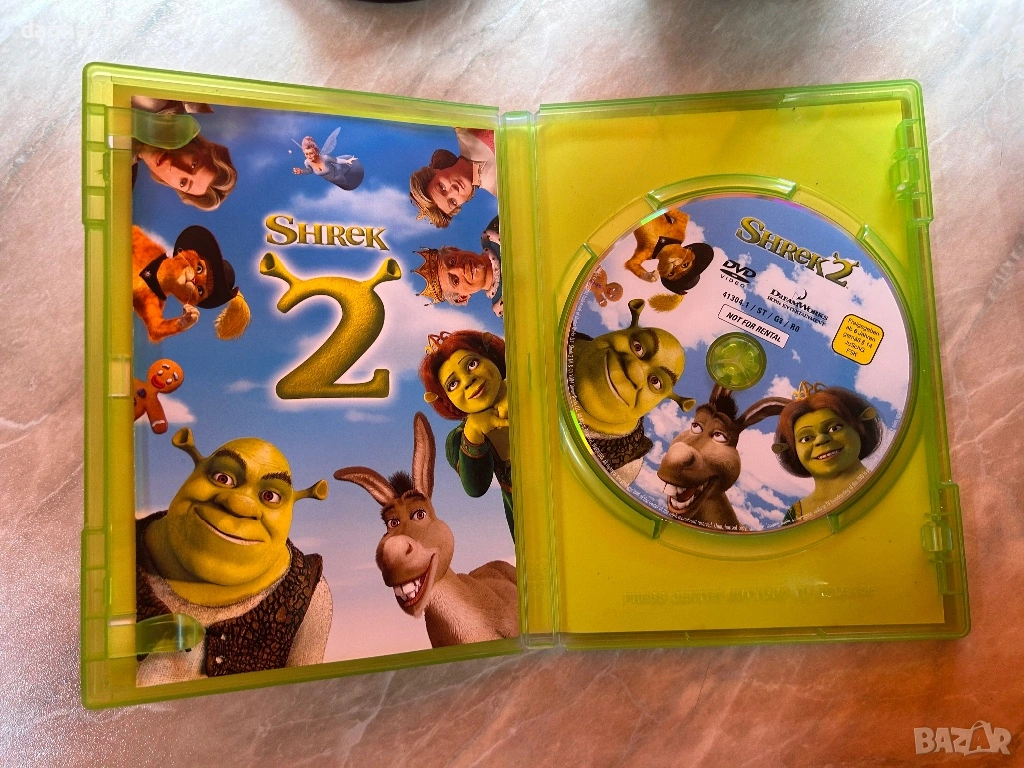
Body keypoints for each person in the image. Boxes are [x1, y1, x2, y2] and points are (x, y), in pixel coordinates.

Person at [569, 299, 692, 486]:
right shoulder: (554, 322)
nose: (634, 370)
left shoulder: (623, 467)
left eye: (656, 382)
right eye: (638, 347)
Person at [419, 331, 514, 539]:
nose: (468, 381)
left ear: (491, 357)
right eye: (453, 384)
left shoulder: (524, 378)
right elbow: (475, 487)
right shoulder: (459, 440)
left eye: (472, 364)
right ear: (446, 400)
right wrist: (474, 431)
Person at [773, 382, 883, 525]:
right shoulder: (795, 515)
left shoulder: (888, 478)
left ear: (860, 428)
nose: (821, 440)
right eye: (806, 438)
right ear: (793, 451)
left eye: (834, 428)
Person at [131, 97, 237, 211]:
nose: (175, 167)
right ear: (198, 145)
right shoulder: (158, 99)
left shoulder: (122, 177)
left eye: (183, 183)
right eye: (194, 164)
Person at [413, 216, 503, 317]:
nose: (460, 269)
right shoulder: (508, 311)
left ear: (454, 249)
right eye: (455, 280)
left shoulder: (498, 227)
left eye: (452, 261)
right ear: (463, 297)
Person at [409, 128, 496, 228]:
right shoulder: (502, 190)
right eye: (453, 201)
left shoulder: (464, 129)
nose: (454, 190)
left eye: (442, 187)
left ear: (436, 171)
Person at [291, 129, 364, 191]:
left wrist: (347, 161)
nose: (309, 156)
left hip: (343, 172)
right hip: (335, 181)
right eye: (306, 154)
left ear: (316, 152)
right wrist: (301, 171)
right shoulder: (307, 162)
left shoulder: (325, 158)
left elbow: (336, 160)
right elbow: (310, 170)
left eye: (311, 153)